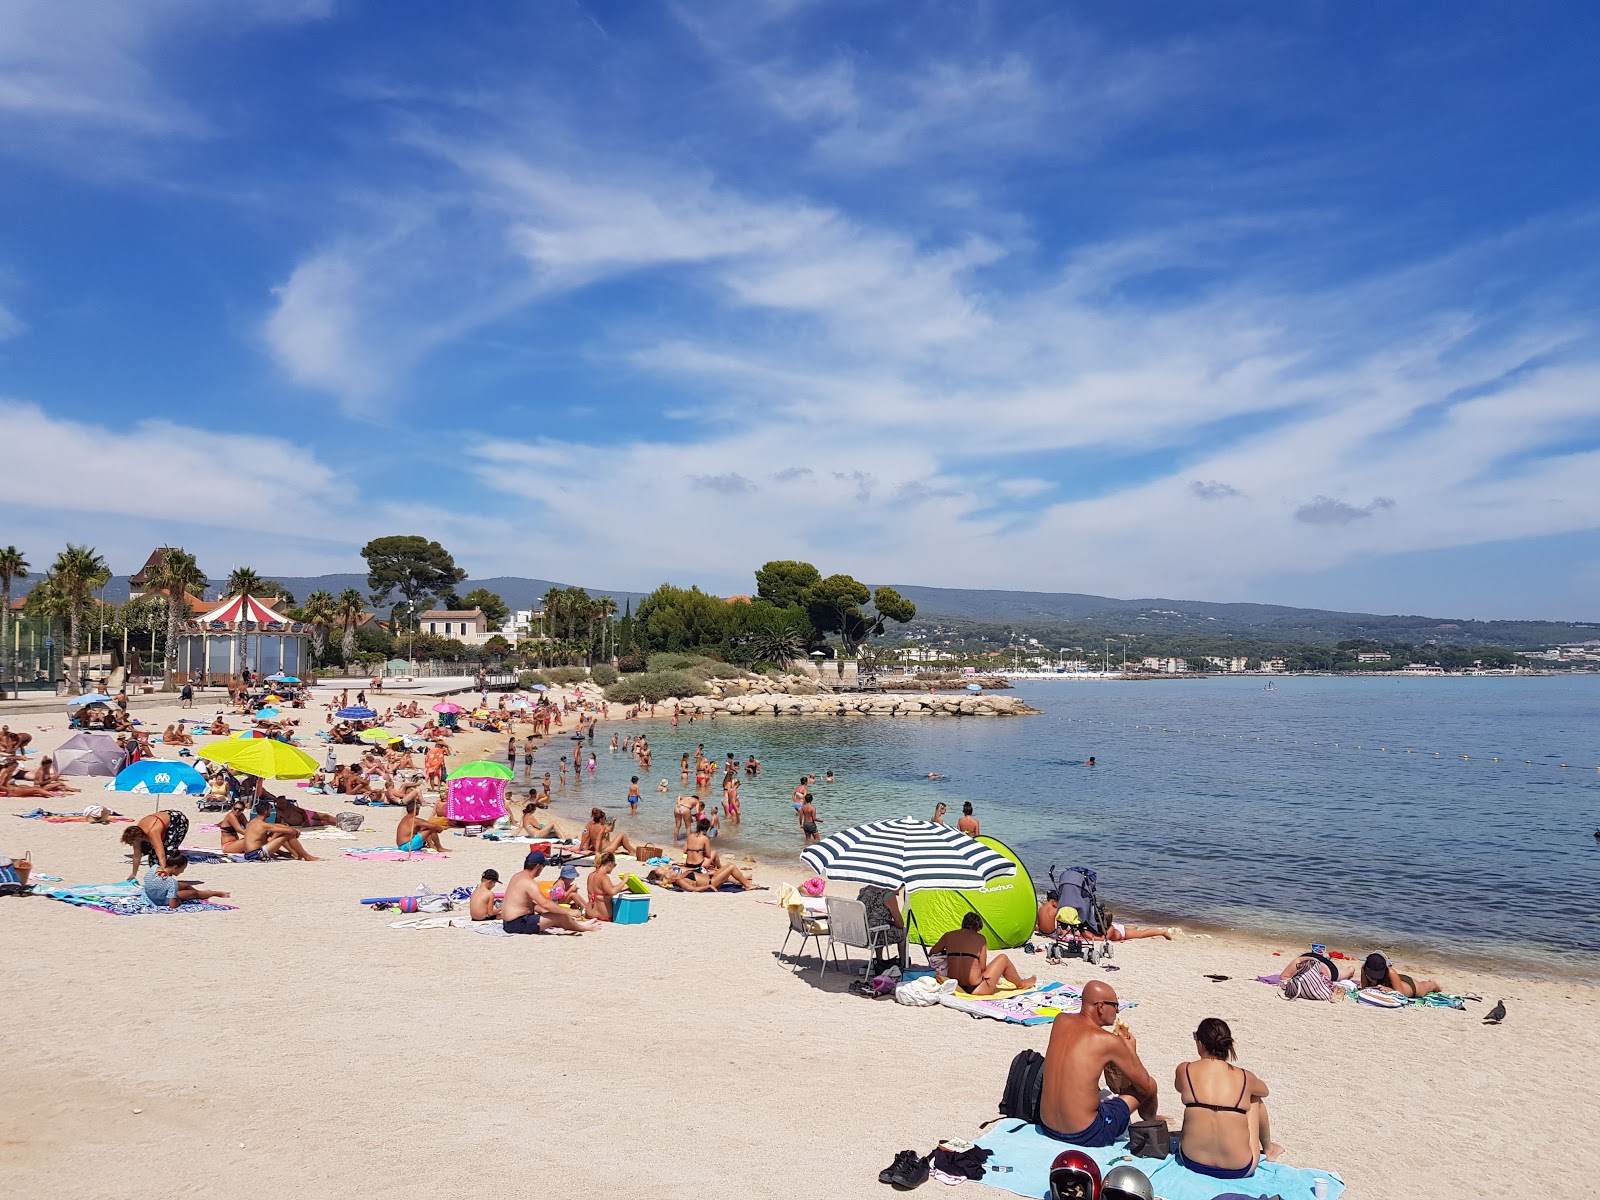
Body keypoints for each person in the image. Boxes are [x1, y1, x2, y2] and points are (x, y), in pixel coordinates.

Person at [1039, 980, 1158, 1147]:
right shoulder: (1107, 1041)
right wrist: (1130, 1049)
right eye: (1115, 1005)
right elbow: (1144, 1085)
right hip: (1086, 1134)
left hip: (1048, 1126)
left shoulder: (1060, 1020)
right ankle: (1151, 1122)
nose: (1117, 1011)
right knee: (1151, 1085)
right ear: (1101, 1006)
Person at [1172, 1018, 1279, 1179]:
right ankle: (1269, 1149)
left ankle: (1269, 1148)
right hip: (1240, 1168)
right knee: (1254, 1098)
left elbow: (1179, 1088)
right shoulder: (1244, 1077)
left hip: (1192, 1160)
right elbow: (1264, 1091)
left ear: (1200, 1043)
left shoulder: (1185, 1069)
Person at [931, 911, 1034, 996]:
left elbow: (932, 952)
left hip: (954, 985)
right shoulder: (980, 939)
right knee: (1003, 958)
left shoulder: (948, 936)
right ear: (978, 928)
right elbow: (982, 967)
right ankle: (1022, 983)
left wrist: (950, 953)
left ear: (963, 924)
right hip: (976, 988)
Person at [500, 852, 599, 933]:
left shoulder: (517, 876)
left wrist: (546, 910)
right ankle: (582, 928)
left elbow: (525, 903)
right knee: (560, 916)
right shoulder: (529, 883)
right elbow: (545, 903)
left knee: (553, 912)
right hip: (517, 924)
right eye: (543, 866)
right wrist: (570, 911)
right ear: (538, 866)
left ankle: (578, 925)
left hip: (508, 922)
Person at [141, 853, 229, 909]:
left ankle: (202, 893)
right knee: (193, 894)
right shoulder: (171, 882)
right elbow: (172, 906)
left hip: (148, 893)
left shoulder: (154, 868)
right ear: (175, 868)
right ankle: (213, 893)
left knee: (185, 886)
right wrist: (179, 901)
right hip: (159, 899)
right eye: (182, 869)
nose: (182, 872)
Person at [120, 809, 190, 878]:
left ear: (139, 838)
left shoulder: (152, 832)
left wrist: (164, 870)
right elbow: (137, 856)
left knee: (168, 851)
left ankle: (168, 875)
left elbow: (161, 855)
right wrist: (134, 873)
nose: (131, 845)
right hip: (159, 823)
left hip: (177, 821)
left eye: (132, 843)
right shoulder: (136, 834)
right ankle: (159, 875)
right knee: (152, 856)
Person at [1278, 949, 1357, 1000]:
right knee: (1344, 972)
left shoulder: (1299, 963)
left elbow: (1283, 978)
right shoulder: (1298, 963)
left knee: (1345, 973)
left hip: (1324, 966)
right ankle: (1350, 970)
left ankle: (1351, 969)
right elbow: (1283, 977)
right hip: (1310, 958)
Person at [1358, 952, 1442, 998]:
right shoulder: (1364, 967)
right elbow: (1364, 988)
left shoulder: (1390, 971)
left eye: (1376, 976)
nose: (1374, 979)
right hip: (1393, 981)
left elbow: (1400, 994)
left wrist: (1388, 989)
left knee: (1424, 987)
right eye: (1371, 976)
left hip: (1408, 986)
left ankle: (1433, 984)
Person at [647, 862, 754, 891]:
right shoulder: (680, 881)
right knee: (731, 866)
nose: (672, 872)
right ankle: (747, 885)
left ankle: (746, 882)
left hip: (711, 877)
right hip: (712, 882)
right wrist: (708, 887)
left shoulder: (680, 877)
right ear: (670, 878)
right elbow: (694, 889)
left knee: (727, 867)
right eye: (670, 873)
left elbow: (698, 875)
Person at [586, 852, 626, 921]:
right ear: (610, 864)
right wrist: (624, 881)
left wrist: (626, 888)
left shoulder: (591, 875)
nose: (613, 867)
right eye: (614, 865)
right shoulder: (603, 877)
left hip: (589, 914)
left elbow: (605, 890)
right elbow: (612, 891)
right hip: (603, 916)